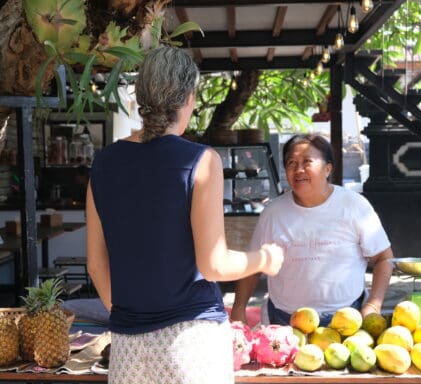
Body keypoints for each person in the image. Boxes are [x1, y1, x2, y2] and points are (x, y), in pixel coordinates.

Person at [85, 46, 284, 384]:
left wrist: (132, 314)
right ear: (189, 97)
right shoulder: (200, 161)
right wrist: (264, 259)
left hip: (127, 349)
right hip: (190, 344)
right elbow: (214, 264)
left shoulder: (104, 164)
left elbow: (95, 264)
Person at [230, 133, 393, 327]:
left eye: (307, 161)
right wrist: (238, 309)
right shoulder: (273, 212)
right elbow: (252, 266)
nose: (298, 169)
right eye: (291, 163)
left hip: (346, 322)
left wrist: (373, 305)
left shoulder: (354, 205)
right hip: (284, 323)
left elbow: (384, 258)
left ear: (327, 169)